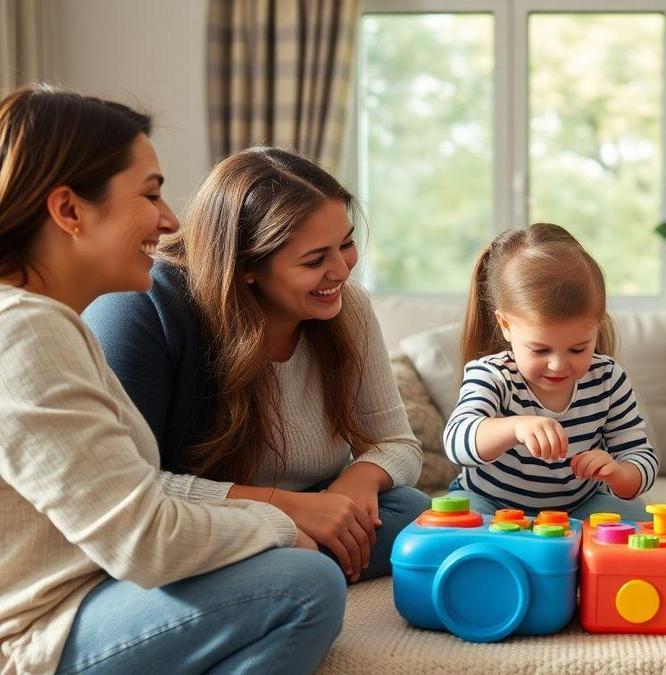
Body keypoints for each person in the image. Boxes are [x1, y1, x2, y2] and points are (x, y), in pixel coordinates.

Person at [0, 86, 344, 674]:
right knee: (300, 584)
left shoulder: (48, 322)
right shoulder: (25, 331)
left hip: (97, 592)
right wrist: (282, 523)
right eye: (150, 193)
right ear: (69, 211)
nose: (170, 220)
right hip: (40, 632)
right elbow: (146, 542)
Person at [83, 146, 429, 584]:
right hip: (202, 521)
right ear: (246, 265)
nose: (342, 271)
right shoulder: (141, 309)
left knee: (410, 508)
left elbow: (396, 443)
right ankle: (294, 572)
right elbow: (126, 490)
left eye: (346, 243)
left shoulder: (348, 308)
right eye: (314, 260)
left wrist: (354, 486)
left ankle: (289, 571)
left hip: (315, 503)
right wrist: (286, 509)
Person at [442, 223, 659, 521]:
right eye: (540, 350)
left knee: (637, 518)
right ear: (505, 326)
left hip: (578, 508)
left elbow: (641, 456)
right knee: (459, 520)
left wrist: (618, 473)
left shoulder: (607, 379)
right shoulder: (492, 375)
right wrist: (514, 428)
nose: (558, 365)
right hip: (491, 503)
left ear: (597, 327)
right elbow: (457, 441)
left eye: (578, 349)